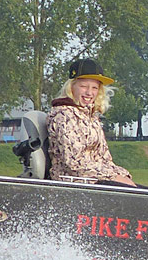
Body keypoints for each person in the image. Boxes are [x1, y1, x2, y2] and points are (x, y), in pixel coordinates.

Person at [46, 58, 136, 187]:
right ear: (71, 87)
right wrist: (112, 176)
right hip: (75, 182)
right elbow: (74, 163)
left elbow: (104, 159)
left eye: (94, 88)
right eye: (83, 86)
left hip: (96, 180)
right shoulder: (63, 115)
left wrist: (121, 174)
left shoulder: (91, 117)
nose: (89, 92)